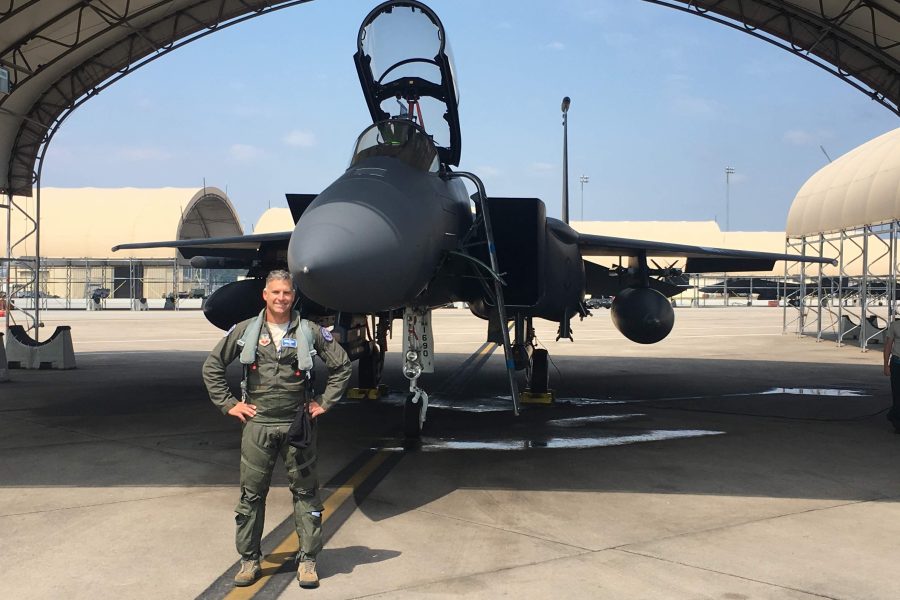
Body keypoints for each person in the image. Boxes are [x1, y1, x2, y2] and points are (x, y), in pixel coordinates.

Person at [203, 270, 351, 588]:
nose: (281, 298)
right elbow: (212, 366)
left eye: (286, 292)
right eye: (275, 292)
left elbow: (342, 366)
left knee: (306, 495)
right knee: (251, 496)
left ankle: (308, 561)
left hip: (298, 423)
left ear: (293, 296)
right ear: (265, 295)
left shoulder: (310, 332)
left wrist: (324, 402)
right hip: (258, 423)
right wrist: (229, 404)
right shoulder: (246, 332)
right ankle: (249, 559)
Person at [882, 319, 900, 433]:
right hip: (897, 363)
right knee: (897, 394)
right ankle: (898, 423)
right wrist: (886, 365)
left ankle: (892, 414)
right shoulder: (895, 325)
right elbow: (888, 345)